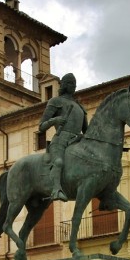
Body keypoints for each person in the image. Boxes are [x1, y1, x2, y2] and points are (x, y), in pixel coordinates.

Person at [39, 73, 87, 201]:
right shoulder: (55, 101)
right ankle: (56, 190)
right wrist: (55, 120)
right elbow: (41, 126)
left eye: (75, 84)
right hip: (61, 139)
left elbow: (86, 131)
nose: (74, 86)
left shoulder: (80, 107)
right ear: (65, 85)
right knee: (59, 162)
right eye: (71, 83)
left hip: (77, 141)